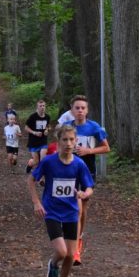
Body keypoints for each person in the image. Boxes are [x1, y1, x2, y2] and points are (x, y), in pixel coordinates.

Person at [27, 124, 94, 277]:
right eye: (65, 139)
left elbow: (89, 187)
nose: (68, 143)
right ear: (58, 141)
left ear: (76, 141)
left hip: (71, 212)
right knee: (62, 252)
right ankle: (53, 263)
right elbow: (31, 179)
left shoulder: (79, 164)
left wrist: (84, 193)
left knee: (71, 255)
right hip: (52, 212)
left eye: (72, 140)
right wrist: (36, 203)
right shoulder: (49, 162)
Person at [57, 95, 110, 264]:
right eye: (77, 108)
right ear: (71, 110)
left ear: (87, 111)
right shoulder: (67, 128)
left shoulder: (94, 127)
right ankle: (69, 238)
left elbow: (106, 148)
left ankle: (77, 243)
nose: (80, 111)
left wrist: (88, 151)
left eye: (83, 108)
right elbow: (58, 148)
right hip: (69, 172)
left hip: (87, 172)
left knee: (81, 210)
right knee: (70, 206)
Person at [25, 99, 50, 173]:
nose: (42, 107)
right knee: (36, 161)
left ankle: (41, 176)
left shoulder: (47, 117)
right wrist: (34, 132)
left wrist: (47, 130)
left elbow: (48, 126)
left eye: (43, 106)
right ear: (37, 107)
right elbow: (26, 127)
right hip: (33, 141)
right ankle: (30, 163)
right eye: (40, 106)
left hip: (43, 141)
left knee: (43, 159)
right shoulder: (33, 117)